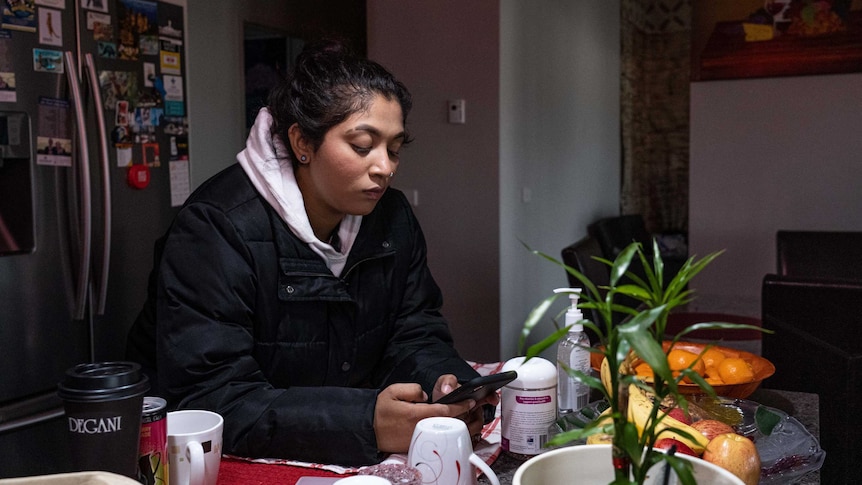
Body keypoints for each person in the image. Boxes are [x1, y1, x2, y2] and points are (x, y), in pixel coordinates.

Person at [126, 40, 494, 466]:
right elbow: (211, 398)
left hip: (326, 452)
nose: (385, 167)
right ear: (302, 142)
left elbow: (414, 330)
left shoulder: (391, 217)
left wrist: (443, 383)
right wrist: (365, 421)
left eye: (394, 149)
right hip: (209, 460)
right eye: (362, 145)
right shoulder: (216, 228)